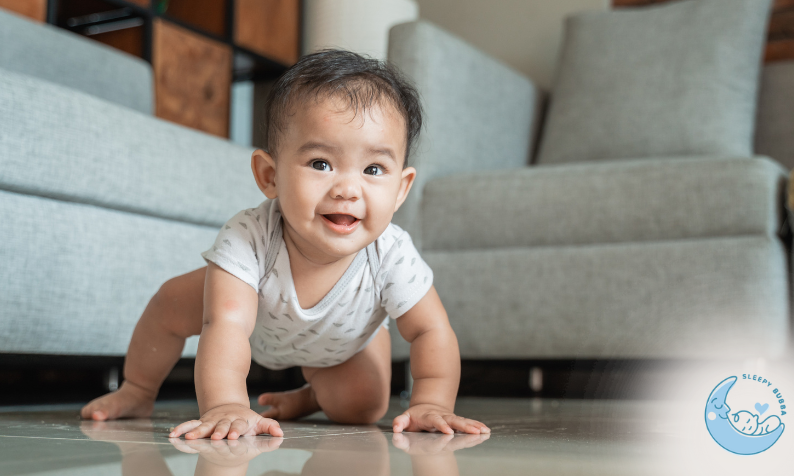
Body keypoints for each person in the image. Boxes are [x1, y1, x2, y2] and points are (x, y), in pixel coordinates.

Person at [81, 50, 490, 440]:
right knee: (172, 303)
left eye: (373, 169)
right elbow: (226, 324)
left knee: (362, 407)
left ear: (401, 189)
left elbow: (431, 330)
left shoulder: (392, 253)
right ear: (269, 175)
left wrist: (431, 402)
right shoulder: (250, 235)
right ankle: (137, 389)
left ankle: (310, 397)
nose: (348, 188)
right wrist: (225, 404)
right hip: (253, 321)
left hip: (343, 342)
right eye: (321, 164)